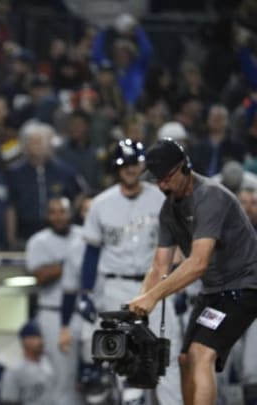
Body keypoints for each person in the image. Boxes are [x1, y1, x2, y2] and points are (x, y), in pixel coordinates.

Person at [127, 138, 257, 405]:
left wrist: (152, 298)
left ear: (183, 166)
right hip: (214, 292)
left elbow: (197, 264)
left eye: (165, 178)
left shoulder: (211, 197)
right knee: (185, 360)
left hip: (244, 286)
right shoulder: (169, 209)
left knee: (200, 354)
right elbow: (159, 266)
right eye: (157, 180)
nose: (161, 185)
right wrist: (137, 304)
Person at [64, 139, 183, 404]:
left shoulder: (160, 197)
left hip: (157, 285)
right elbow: (92, 252)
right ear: (116, 168)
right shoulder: (100, 204)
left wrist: (178, 285)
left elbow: (177, 244)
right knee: (122, 356)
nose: (130, 169)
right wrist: (85, 292)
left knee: (167, 354)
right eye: (125, 164)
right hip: (117, 287)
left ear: (143, 166)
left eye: (135, 163)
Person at [24, 196, 82, 404]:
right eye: (53, 212)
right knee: (61, 377)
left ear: (70, 213)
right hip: (53, 313)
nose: (58, 217)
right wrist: (72, 262)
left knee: (92, 375)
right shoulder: (39, 240)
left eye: (62, 211)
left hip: (85, 312)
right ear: (48, 216)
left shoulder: (83, 235)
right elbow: (40, 275)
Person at [0, 321, 57, 405]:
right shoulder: (14, 370)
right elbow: (8, 401)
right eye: (35, 337)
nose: (40, 341)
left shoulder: (48, 363)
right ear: (25, 341)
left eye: (40, 337)